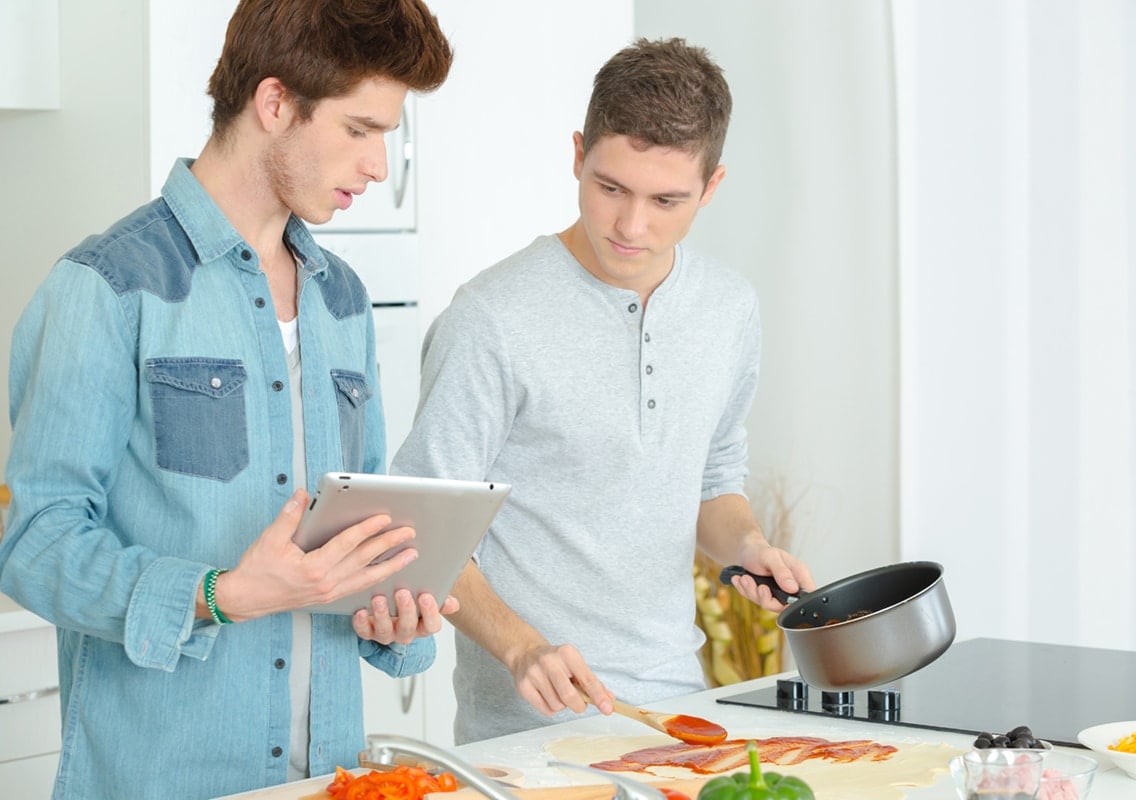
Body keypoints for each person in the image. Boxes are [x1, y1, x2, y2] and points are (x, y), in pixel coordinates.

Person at [0, 2, 453, 798]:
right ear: (274, 104)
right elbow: (35, 543)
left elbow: (362, 531)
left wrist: (393, 618)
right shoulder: (109, 286)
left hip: (327, 776)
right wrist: (225, 596)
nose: (379, 166)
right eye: (359, 130)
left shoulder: (341, 297)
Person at [390, 37, 816, 744]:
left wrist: (747, 544)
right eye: (609, 186)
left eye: (666, 199)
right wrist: (522, 646)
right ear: (578, 153)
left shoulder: (729, 309)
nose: (630, 224)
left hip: (679, 717)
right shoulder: (490, 317)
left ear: (712, 187)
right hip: (523, 738)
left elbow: (710, 482)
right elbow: (425, 536)